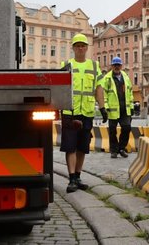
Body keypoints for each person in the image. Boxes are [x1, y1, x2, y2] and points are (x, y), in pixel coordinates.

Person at [61, 33, 100, 193]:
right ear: (73, 48)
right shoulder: (66, 64)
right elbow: (61, 88)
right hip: (70, 111)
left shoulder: (94, 66)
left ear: (86, 48)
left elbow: (98, 88)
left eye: (83, 46)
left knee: (82, 148)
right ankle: (71, 179)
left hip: (87, 111)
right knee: (70, 147)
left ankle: (77, 176)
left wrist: (102, 108)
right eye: (77, 46)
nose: (80, 48)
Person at [96, 56, 134, 159]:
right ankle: (114, 150)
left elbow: (130, 92)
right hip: (112, 110)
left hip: (124, 109)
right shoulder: (107, 78)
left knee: (127, 128)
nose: (117, 67)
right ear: (112, 66)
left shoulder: (125, 77)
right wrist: (106, 106)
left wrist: (131, 106)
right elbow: (104, 94)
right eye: (115, 65)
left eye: (118, 65)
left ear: (121, 66)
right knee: (112, 131)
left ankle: (121, 148)